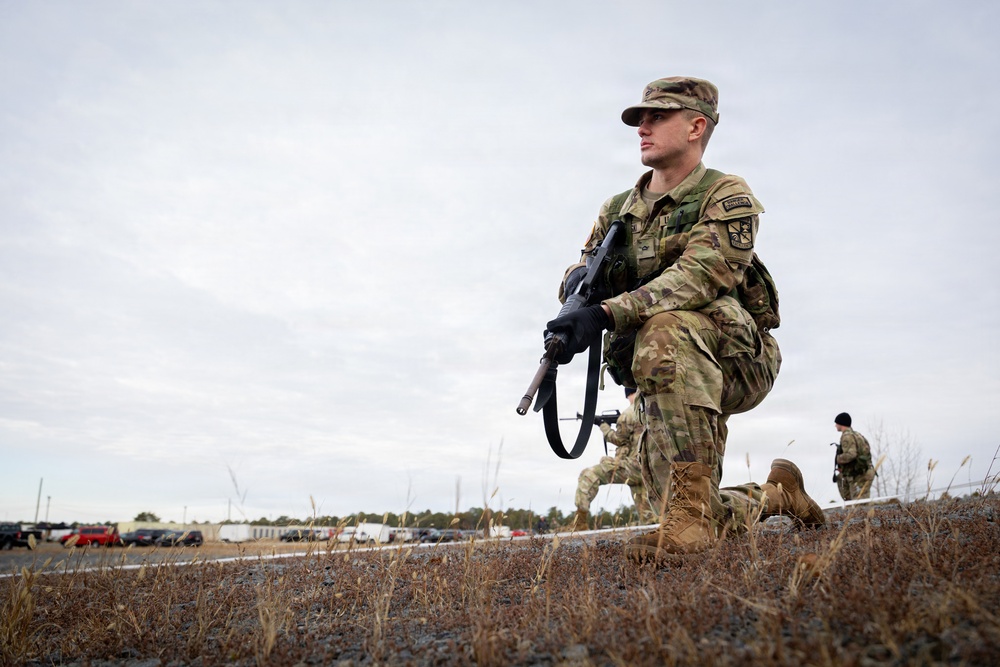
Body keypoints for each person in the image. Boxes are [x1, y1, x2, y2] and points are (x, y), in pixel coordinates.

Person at [545, 77, 825, 563]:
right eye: (640, 119)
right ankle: (778, 497)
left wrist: (609, 312)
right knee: (682, 506)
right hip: (663, 372)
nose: (642, 128)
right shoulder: (617, 211)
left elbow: (700, 274)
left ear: (697, 126)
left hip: (736, 355)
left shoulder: (725, 194)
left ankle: (690, 525)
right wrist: (575, 291)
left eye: (657, 117)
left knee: (666, 326)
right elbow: (588, 267)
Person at [562, 388, 656, 532]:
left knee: (589, 474)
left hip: (634, 468)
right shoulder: (653, 409)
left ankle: (580, 522)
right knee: (649, 516)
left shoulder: (629, 413)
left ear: (631, 394)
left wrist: (603, 425)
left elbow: (618, 439)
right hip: (652, 470)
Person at [833, 412, 876, 500]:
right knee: (860, 503)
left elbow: (852, 454)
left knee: (859, 505)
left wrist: (838, 459)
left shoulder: (847, 436)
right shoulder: (857, 435)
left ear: (841, 423)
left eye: (836, 423)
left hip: (859, 475)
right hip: (865, 472)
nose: (835, 426)